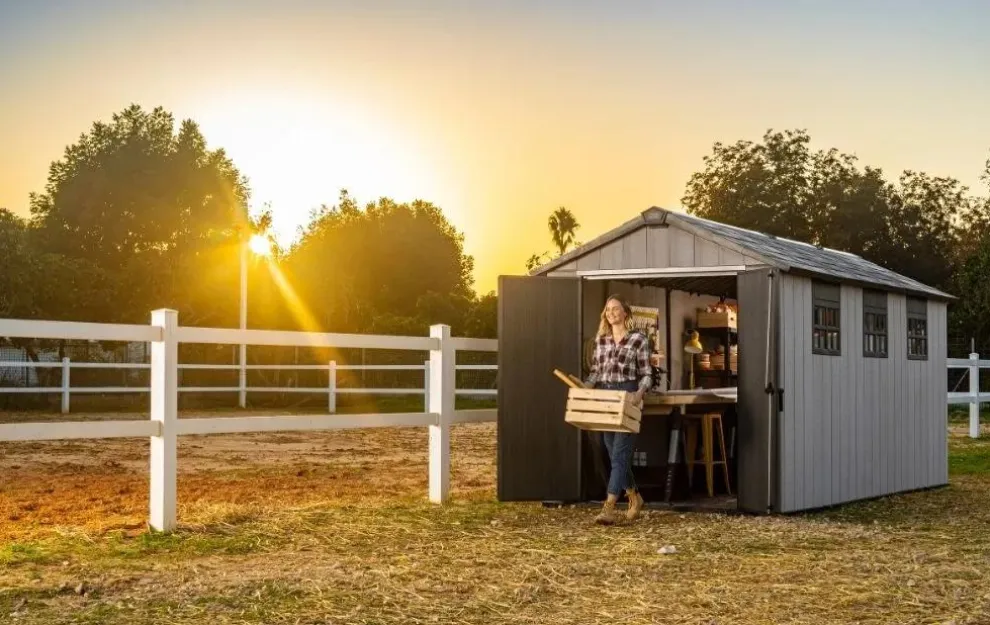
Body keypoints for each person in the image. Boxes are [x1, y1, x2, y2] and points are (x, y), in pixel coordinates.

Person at [583, 294, 652, 525]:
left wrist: (638, 394)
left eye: (616, 309)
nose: (611, 312)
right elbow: (596, 372)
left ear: (625, 313)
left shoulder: (638, 340)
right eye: (608, 309)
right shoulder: (601, 341)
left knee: (620, 454)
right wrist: (586, 387)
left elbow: (646, 374)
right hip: (605, 396)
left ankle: (609, 507)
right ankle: (634, 496)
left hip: (627, 395)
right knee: (614, 454)